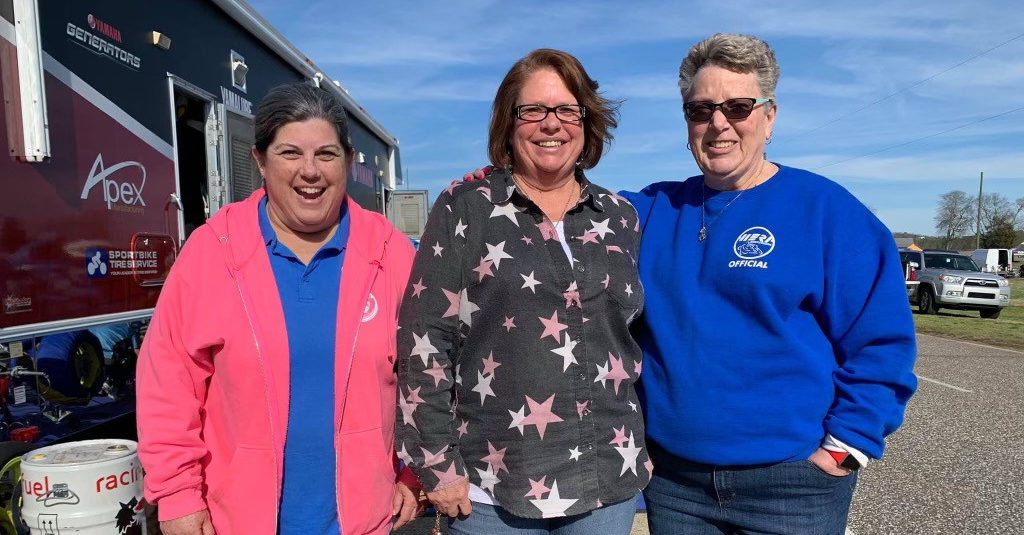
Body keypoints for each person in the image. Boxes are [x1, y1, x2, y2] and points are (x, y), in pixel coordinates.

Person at [619, 33, 918, 534]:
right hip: (675, 485)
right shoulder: (650, 210)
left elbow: (881, 341)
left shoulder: (826, 212)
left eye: (738, 106)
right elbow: (560, 207)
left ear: (769, 116)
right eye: (700, 110)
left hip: (794, 486)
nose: (718, 124)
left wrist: (846, 449)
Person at [136, 82, 419, 535]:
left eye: (326, 154)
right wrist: (176, 496)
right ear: (260, 161)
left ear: (347, 162)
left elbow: (429, 374)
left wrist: (416, 466)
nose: (310, 171)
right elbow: (167, 384)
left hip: (363, 520)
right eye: (290, 153)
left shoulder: (390, 252)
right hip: (237, 521)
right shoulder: (214, 252)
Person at [395, 49, 650, 535]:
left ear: (587, 121)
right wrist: (435, 463)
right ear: (508, 123)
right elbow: (423, 340)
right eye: (532, 110)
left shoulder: (620, 217)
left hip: (606, 483)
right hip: (493, 492)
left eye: (566, 110)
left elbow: (639, 338)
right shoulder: (465, 208)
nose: (550, 124)